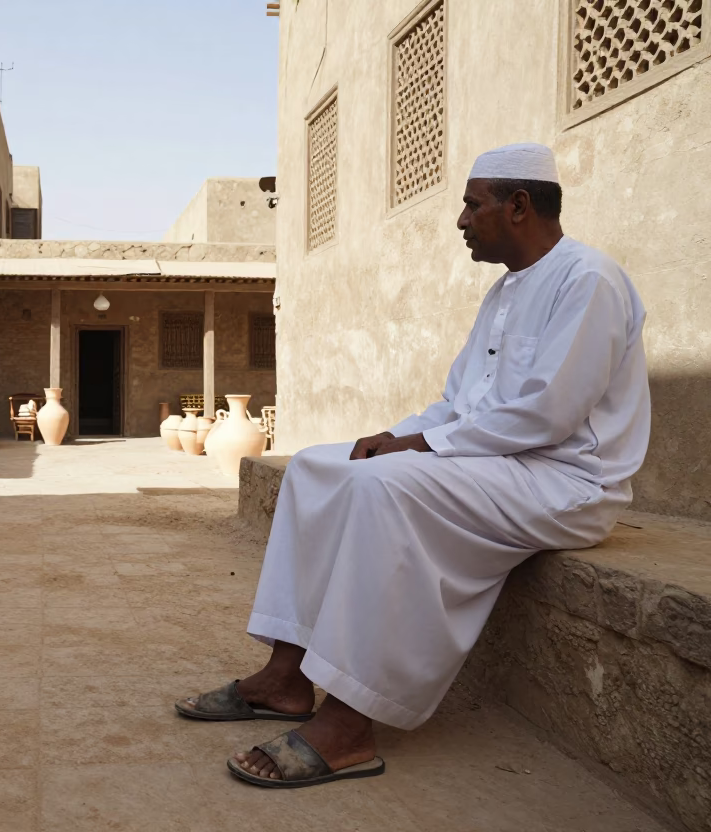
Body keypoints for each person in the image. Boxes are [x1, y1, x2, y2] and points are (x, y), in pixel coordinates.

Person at [176, 143, 651, 789]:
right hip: (495, 464)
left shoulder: (588, 280)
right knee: (316, 467)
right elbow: (457, 402)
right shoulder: (504, 291)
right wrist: (394, 435)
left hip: (562, 480)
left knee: (385, 489)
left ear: (518, 206)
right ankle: (285, 679)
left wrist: (420, 447)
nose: (461, 220)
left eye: (472, 205)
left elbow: (548, 415)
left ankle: (349, 724)